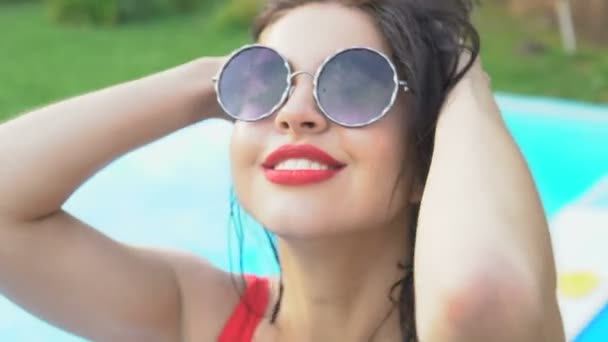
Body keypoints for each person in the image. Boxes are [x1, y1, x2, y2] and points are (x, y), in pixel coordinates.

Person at [0, 0, 566, 341]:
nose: (294, 113)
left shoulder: (496, 323)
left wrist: (459, 71)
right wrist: (208, 78)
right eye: (265, 81)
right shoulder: (196, 313)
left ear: (427, 158)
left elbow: (479, 296)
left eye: (355, 84)